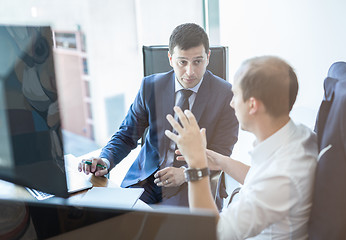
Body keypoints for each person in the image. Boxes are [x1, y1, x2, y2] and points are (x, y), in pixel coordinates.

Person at [78, 23, 238, 208]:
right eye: (182, 62)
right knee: (120, 222)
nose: (190, 72)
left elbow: (222, 154)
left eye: (197, 61)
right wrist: (105, 160)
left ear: (208, 57)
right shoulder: (150, 86)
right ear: (170, 58)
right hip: (146, 178)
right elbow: (127, 135)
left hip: (191, 182)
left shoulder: (227, 95)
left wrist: (186, 173)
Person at [165, 56, 318, 239]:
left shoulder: (282, 175)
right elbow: (261, 179)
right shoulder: (298, 135)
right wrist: (219, 160)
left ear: (252, 105)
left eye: (235, 95)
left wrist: (196, 165)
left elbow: (210, 233)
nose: (231, 103)